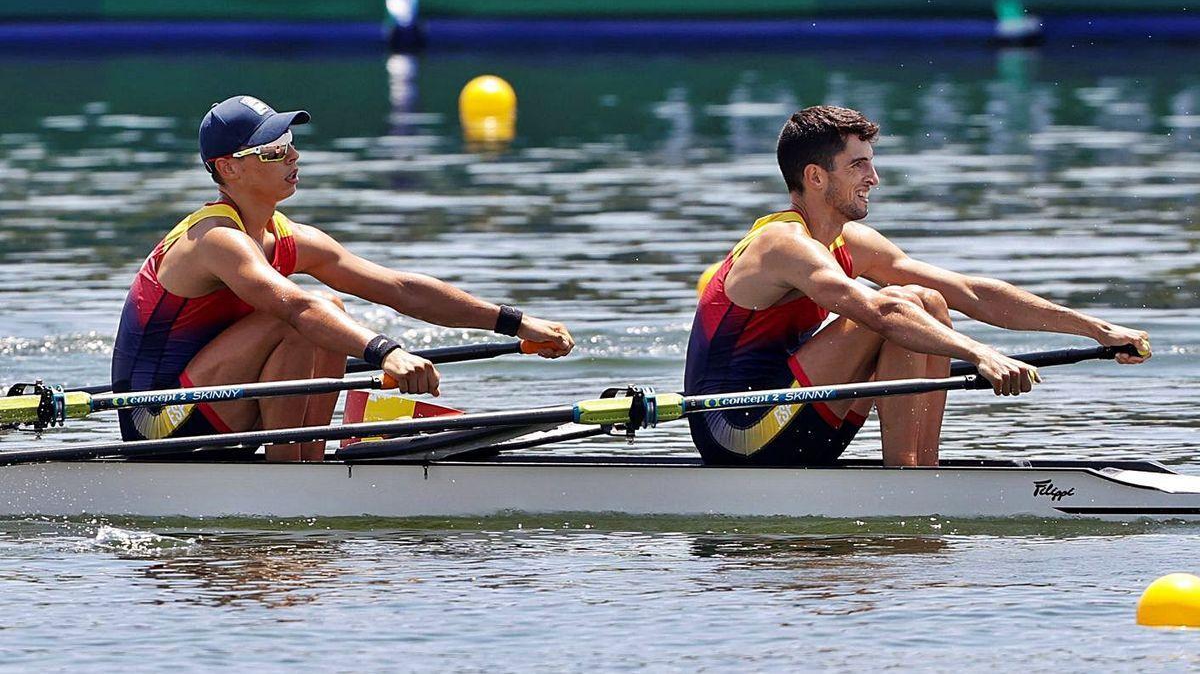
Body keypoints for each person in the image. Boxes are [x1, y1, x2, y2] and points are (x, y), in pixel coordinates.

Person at [112, 95, 574, 462]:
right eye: (273, 150)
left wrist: (515, 322)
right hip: (156, 421)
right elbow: (296, 308)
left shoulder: (291, 238)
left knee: (327, 314)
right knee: (310, 314)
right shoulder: (214, 239)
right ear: (229, 167)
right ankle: (289, 475)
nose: (293, 155)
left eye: (289, 141)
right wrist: (387, 354)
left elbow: (399, 288)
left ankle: (306, 464)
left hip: (217, 401)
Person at [684, 105, 1150, 467]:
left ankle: (918, 470)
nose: (874, 179)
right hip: (737, 429)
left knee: (926, 297)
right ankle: (906, 479)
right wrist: (979, 355)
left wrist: (1096, 329)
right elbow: (881, 314)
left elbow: (969, 291)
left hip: (797, 417)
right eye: (859, 165)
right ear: (815, 176)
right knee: (897, 304)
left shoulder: (851, 243)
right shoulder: (781, 245)